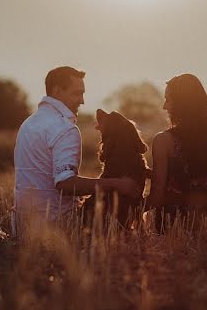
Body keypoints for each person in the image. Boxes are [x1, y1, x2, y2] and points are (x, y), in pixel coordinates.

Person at [13, 66, 140, 233]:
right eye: (77, 93)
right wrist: (118, 184)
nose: (82, 100)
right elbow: (65, 183)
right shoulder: (64, 128)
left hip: (22, 226)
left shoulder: (28, 124)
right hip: (57, 226)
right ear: (57, 91)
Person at [147, 73, 207, 229]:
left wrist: (134, 210)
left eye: (169, 100)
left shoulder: (163, 140)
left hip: (176, 222)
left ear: (183, 103)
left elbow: (158, 192)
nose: (164, 106)